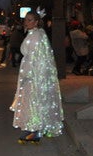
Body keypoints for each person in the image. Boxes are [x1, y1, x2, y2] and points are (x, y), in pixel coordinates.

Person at [10, 11, 64, 143]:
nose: (26, 22)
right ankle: (35, 129)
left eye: (30, 20)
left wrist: (29, 75)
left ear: (36, 22)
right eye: (26, 19)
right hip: (34, 74)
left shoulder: (36, 36)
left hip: (34, 75)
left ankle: (34, 130)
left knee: (32, 101)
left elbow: (35, 58)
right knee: (33, 101)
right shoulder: (38, 34)